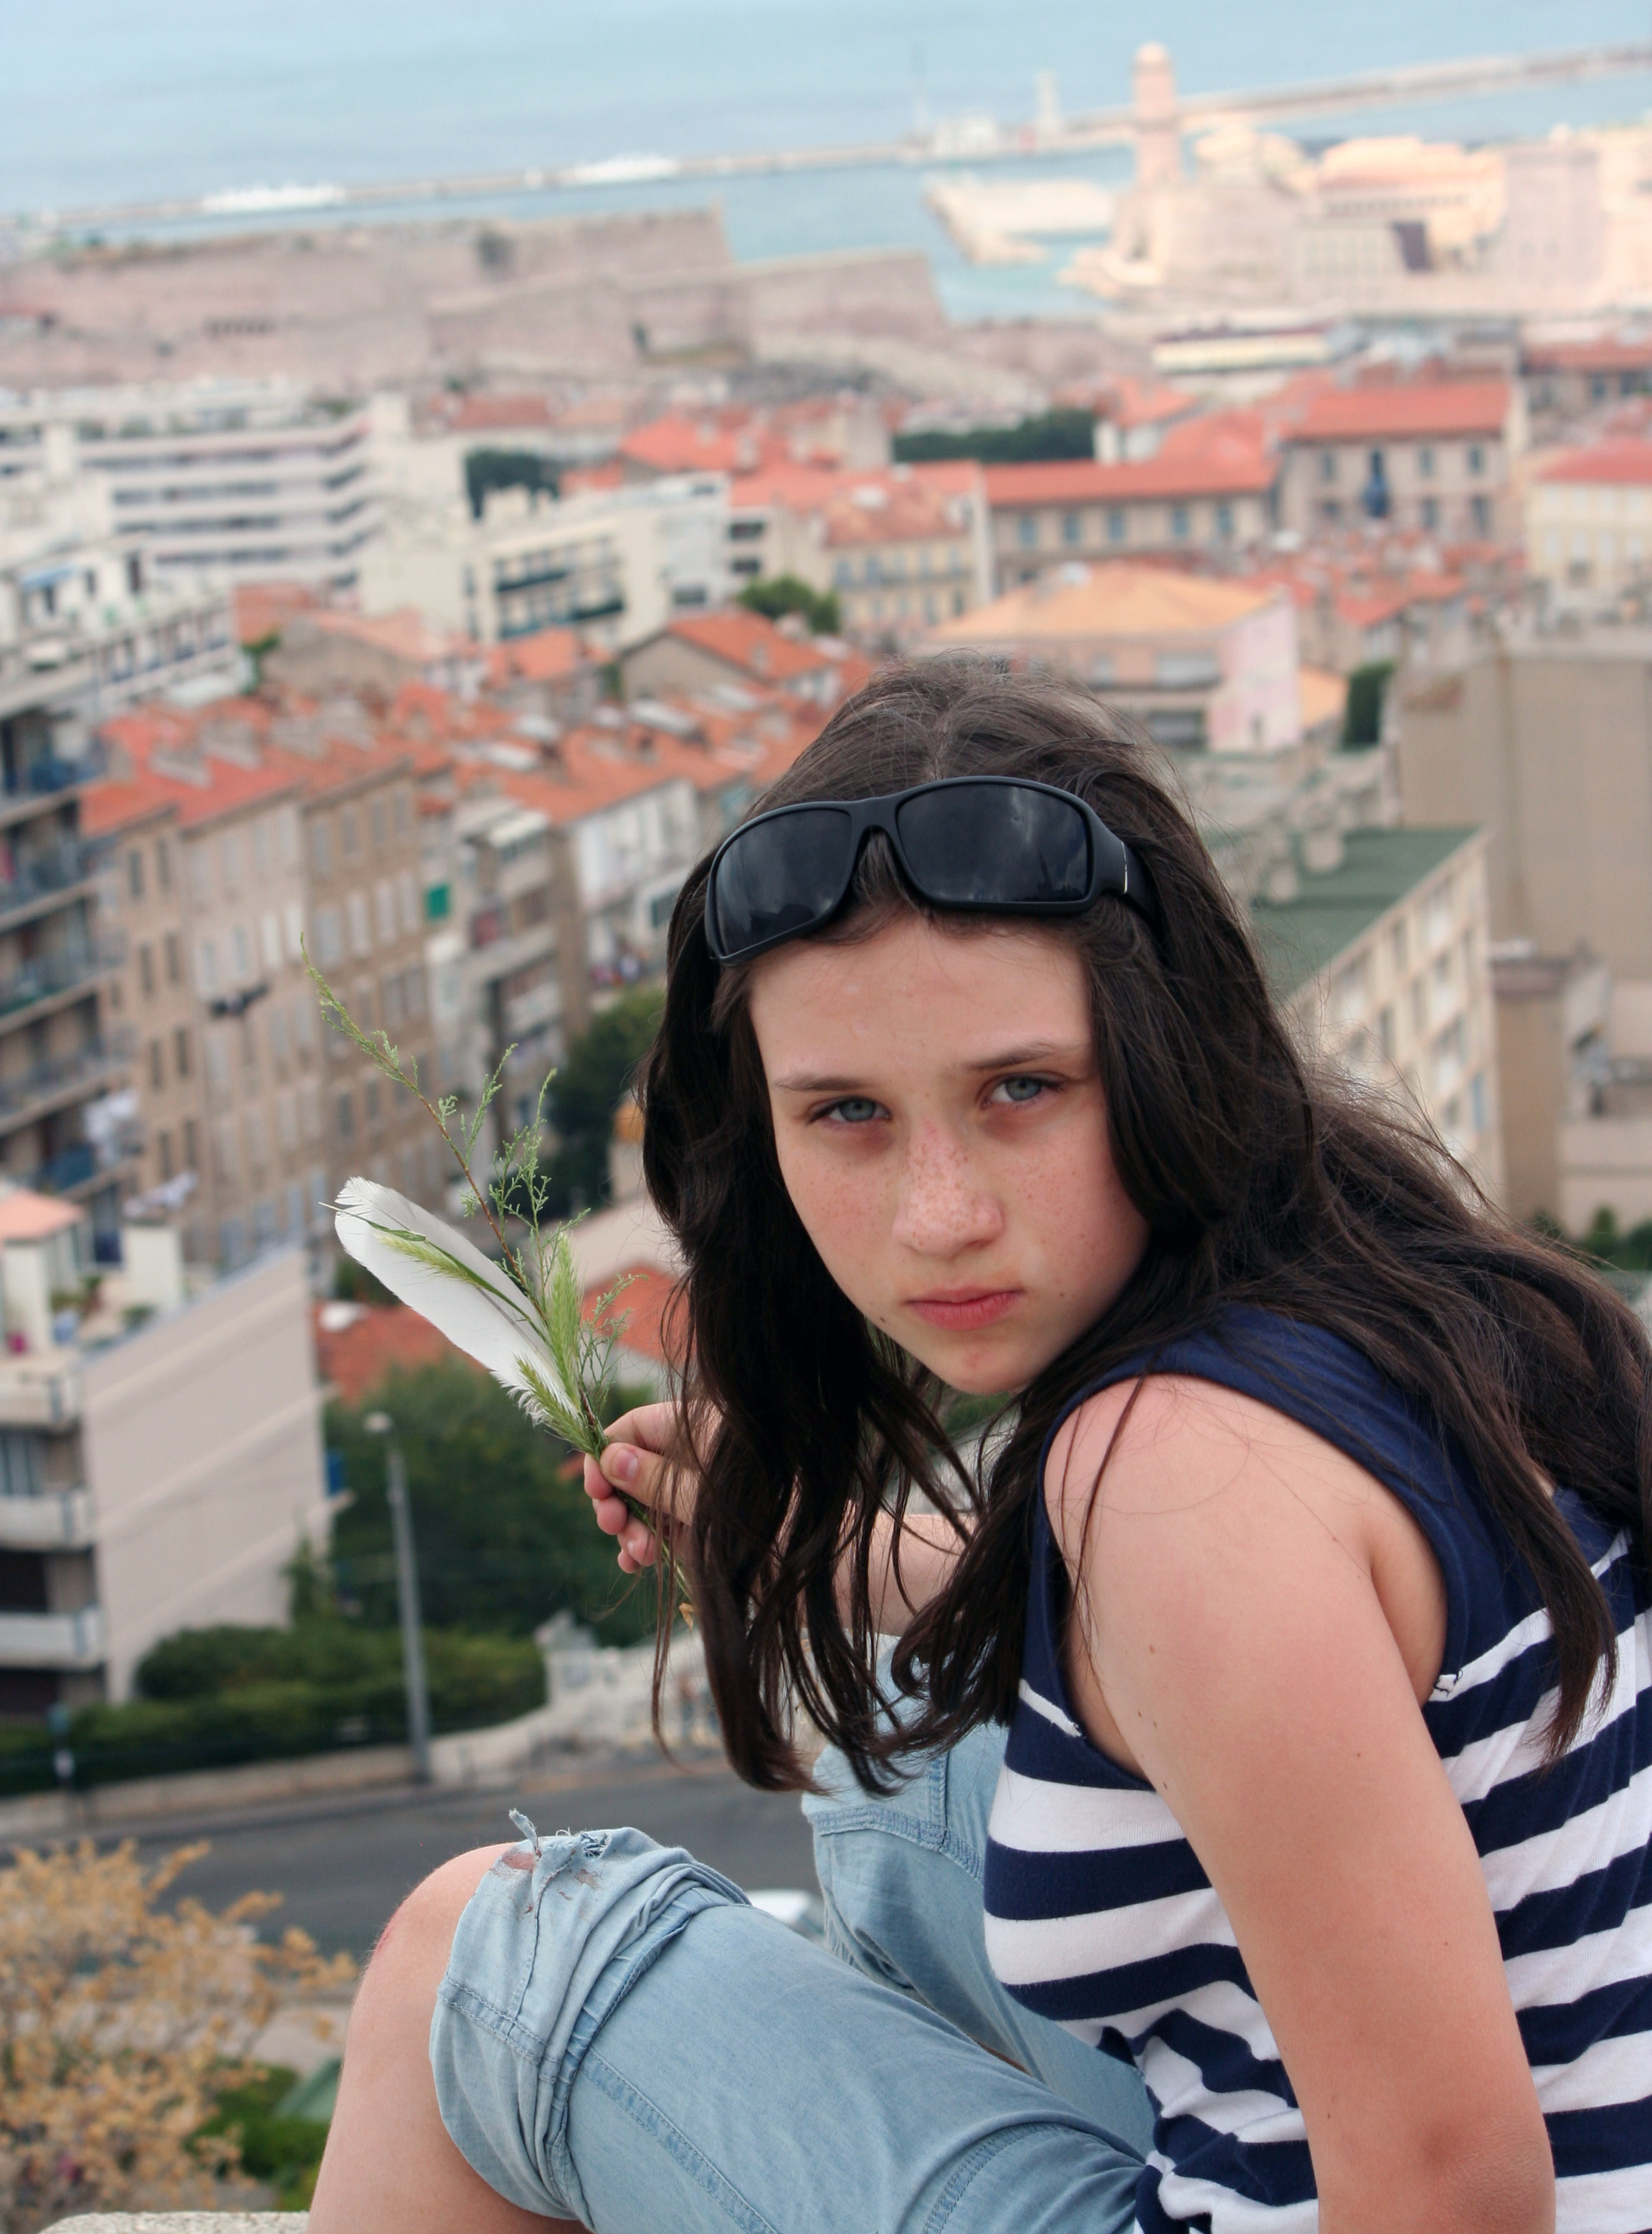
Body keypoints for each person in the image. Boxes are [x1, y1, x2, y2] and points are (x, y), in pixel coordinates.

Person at [311, 660, 1652, 2234]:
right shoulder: (1407, 1296)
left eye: (1021, 1089)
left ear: (1164, 1053)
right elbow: (1219, 1634)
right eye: (848, 1115)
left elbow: (1454, 2192)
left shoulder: (1175, 1479)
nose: (938, 1216)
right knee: (901, 1752)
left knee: (485, 1959)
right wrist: (827, 1556)